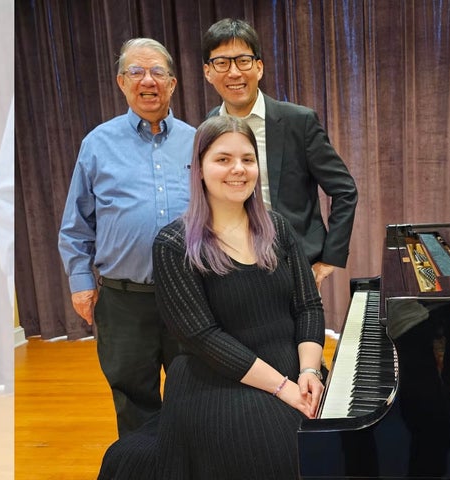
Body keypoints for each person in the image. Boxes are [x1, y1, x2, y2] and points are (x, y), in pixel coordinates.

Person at [150, 115, 326, 478]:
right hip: (217, 379)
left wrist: (310, 370)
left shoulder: (277, 227)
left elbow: (308, 305)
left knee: (341, 442)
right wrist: (283, 388)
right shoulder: (173, 244)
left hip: (292, 368)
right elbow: (203, 338)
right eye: (223, 159)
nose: (238, 169)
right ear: (199, 169)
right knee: (287, 452)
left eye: (247, 159)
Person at [58, 38, 196, 438]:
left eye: (157, 72)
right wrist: (81, 284)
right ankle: (146, 465)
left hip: (189, 294)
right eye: (136, 71)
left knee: (196, 391)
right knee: (133, 401)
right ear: (121, 82)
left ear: (172, 83)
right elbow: (76, 223)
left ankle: (192, 463)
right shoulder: (97, 144)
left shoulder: (198, 141)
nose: (147, 80)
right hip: (124, 300)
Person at [201, 18, 358, 292]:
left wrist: (330, 257)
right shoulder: (209, 126)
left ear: (259, 67)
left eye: (243, 61)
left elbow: (344, 190)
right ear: (208, 72)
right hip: (229, 265)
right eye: (222, 63)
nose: (234, 72)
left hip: (294, 262)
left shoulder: (299, 121)